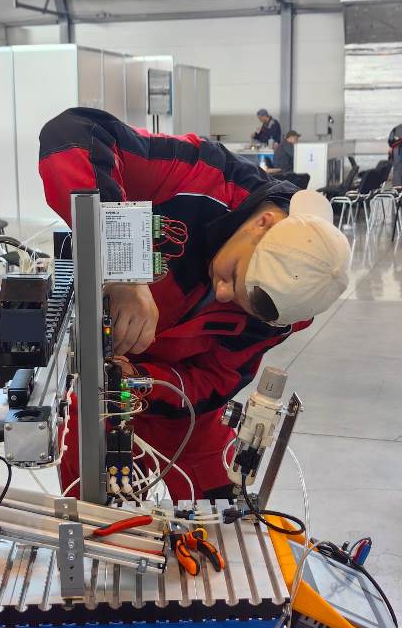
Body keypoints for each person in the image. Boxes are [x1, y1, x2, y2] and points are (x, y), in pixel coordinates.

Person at [39, 107, 350, 501]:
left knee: (224, 511)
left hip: (175, 403)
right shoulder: (200, 175)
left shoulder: (288, 307)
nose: (223, 295)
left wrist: (142, 380)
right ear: (264, 223)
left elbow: (217, 377)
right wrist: (123, 270)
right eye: (233, 274)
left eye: (241, 303)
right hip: (101, 395)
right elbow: (71, 135)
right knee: (91, 506)